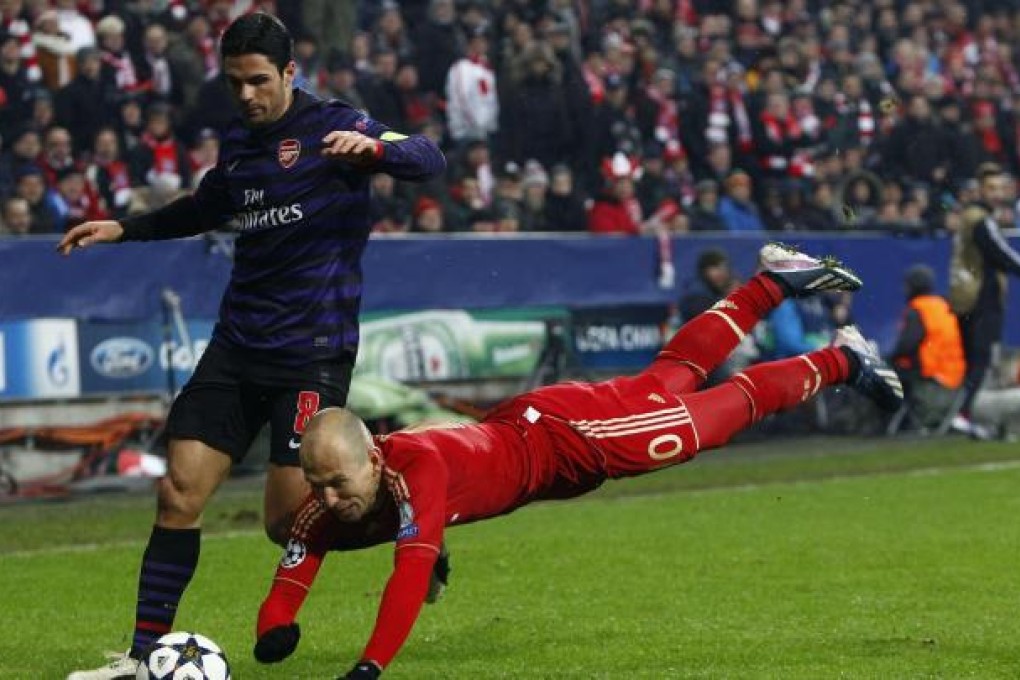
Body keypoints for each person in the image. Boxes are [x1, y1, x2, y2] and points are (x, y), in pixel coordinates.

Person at [251, 244, 903, 678]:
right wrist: (274, 629)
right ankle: (774, 280)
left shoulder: (413, 469)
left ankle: (841, 359)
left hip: (570, 438)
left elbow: (406, 577)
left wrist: (368, 669)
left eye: (337, 483)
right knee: (672, 377)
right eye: (321, 486)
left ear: (370, 455)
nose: (330, 499)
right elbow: (297, 561)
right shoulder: (342, 491)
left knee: (698, 424)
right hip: (537, 431)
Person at [61, 13, 446, 680]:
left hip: (312, 351)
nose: (246, 95)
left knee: (286, 521)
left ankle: (409, 530)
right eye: (235, 82)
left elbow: (428, 157)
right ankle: (143, 654)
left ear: (290, 74)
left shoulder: (338, 124)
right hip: (237, 345)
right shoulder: (239, 143)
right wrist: (122, 228)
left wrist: (377, 151)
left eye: (258, 81)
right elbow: (204, 207)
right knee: (179, 492)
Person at [949, 162, 1020, 437]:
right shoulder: (980, 219)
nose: (996, 193)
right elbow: (1001, 254)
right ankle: (966, 414)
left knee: (974, 362)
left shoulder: (971, 217)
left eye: (1000, 187)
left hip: (965, 298)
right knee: (981, 359)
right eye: (991, 188)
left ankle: (970, 416)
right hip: (981, 299)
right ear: (980, 189)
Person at [890, 264, 966, 430]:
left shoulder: (918, 309)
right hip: (955, 374)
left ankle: (889, 423)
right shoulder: (943, 305)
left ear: (912, 287)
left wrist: (889, 358)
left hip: (932, 375)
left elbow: (907, 344)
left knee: (885, 373)